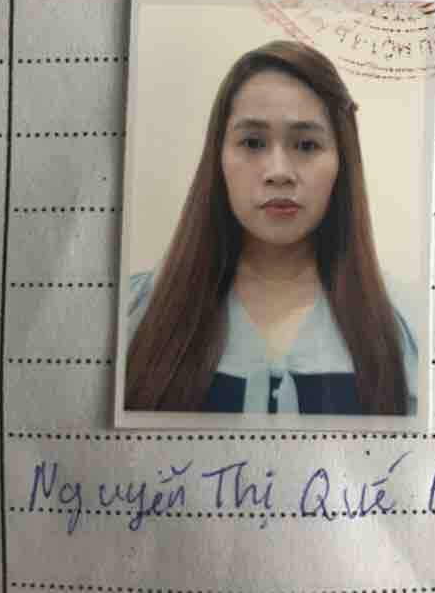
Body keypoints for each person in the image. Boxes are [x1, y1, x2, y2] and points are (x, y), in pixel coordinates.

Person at [124, 40, 418, 415]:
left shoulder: (406, 326)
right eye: (252, 142)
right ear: (218, 157)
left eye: (307, 145)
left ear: (342, 162)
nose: (279, 172)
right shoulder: (134, 313)